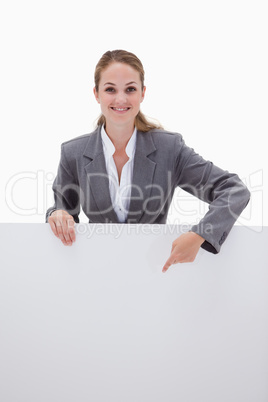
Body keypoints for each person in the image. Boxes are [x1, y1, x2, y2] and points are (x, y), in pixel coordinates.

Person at [46, 49, 250, 272]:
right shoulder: (73, 152)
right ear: (96, 94)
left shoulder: (169, 149)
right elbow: (62, 210)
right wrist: (58, 214)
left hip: (155, 271)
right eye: (110, 89)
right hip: (97, 272)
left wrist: (200, 234)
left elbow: (233, 190)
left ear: (143, 93)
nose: (121, 99)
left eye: (130, 89)